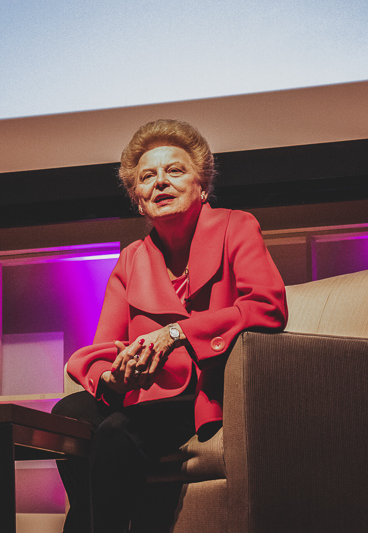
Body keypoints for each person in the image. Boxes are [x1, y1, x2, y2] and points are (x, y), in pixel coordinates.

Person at [52, 119, 288, 532]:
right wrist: (113, 377)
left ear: (201, 187)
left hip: (208, 388)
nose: (160, 182)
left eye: (175, 171)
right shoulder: (131, 258)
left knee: (117, 433)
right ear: (138, 200)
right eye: (147, 177)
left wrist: (178, 334)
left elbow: (267, 306)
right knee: (69, 413)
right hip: (145, 392)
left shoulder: (237, 226)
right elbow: (105, 346)